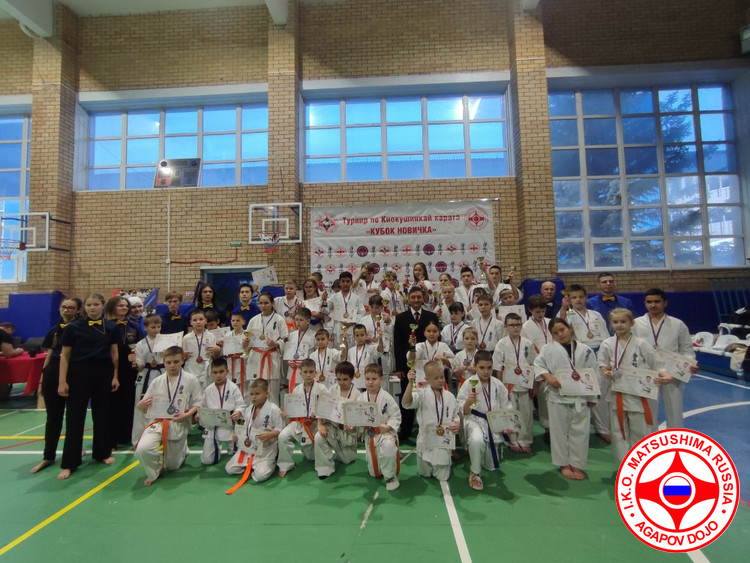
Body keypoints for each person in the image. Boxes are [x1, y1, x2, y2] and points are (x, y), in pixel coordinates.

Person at [56, 293, 119, 480]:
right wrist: (62, 381)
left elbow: (114, 355)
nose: (92, 308)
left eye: (96, 304)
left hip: (103, 375)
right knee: (75, 419)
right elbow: (65, 356)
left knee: (102, 415)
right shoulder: (73, 328)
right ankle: (70, 462)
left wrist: (115, 376)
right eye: (89, 305)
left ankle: (102, 453)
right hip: (78, 375)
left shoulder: (111, 327)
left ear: (103, 305)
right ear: (84, 307)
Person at [598, 308, 672, 463]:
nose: (619, 325)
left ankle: (641, 465)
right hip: (617, 392)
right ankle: (624, 465)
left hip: (639, 395)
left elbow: (658, 364)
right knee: (619, 432)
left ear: (631, 323)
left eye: (623, 321)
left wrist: (665, 375)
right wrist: (605, 371)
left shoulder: (641, 343)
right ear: (611, 324)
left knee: (641, 430)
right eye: (615, 322)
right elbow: (602, 363)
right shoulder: (607, 343)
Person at [534, 317, 598, 480]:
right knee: (559, 432)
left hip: (580, 396)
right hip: (558, 396)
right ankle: (563, 463)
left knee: (581, 432)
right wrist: (548, 377)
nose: (560, 334)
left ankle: (577, 463)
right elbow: (538, 365)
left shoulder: (585, 350)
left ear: (569, 328)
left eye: (562, 330)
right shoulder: (548, 349)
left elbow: (593, 372)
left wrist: (592, 396)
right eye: (555, 333)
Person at [134, 346, 202, 486]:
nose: (172, 365)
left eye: (176, 362)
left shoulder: (191, 379)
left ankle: (183, 449)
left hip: (178, 421)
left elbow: (198, 402)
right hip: (157, 421)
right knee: (142, 449)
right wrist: (140, 406)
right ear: (163, 362)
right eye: (168, 362)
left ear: (183, 360)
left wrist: (187, 415)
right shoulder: (157, 381)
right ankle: (155, 470)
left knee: (172, 466)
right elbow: (144, 405)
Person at [30, 297, 82, 474]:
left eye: (71, 307)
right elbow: (49, 354)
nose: (66, 310)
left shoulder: (81, 329)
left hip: (74, 374)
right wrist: (42, 379)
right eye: (64, 307)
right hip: (52, 375)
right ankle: (48, 455)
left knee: (74, 419)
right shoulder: (54, 330)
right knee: (53, 418)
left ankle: (72, 456)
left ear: (78, 310)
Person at [632, 288, 697, 429]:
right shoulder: (635, 324)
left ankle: (675, 439)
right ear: (644, 303)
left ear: (665, 303)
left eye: (657, 301)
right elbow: (631, 349)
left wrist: (689, 365)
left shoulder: (678, 324)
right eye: (649, 302)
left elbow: (686, 349)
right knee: (648, 412)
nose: (653, 305)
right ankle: (650, 439)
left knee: (675, 411)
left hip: (672, 374)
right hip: (647, 372)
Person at [557, 283, 610, 441]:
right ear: (569, 299)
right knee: (583, 390)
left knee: (600, 390)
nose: (578, 300)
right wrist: (564, 307)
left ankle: (603, 427)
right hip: (580, 354)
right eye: (574, 297)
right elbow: (559, 326)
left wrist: (609, 355)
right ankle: (581, 427)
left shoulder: (596, 315)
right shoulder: (568, 314)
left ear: (586, 297)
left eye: (581, 296)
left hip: (599, 353)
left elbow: (606, 335)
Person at [456, 350, 513, 491]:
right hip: (474, 419)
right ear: (475, 367)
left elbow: (507, 406)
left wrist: (507, 424)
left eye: (489, 368)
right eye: (482, 367)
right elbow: (462, 410)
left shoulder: (498, 384)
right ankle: (474, 473)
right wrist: (467, 403)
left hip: (493, 421)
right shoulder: (469, 383)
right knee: (477, 440)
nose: (486, 371)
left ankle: (477, 456)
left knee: (490, 466)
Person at [393, 285, 439, 442]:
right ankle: (406, 430)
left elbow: (436, 340)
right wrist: (399, 368)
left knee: (430, 397)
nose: (416, 300)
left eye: (419, 297)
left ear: (423, 298)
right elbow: (397, 344)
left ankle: (432, 428)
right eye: (413, 297)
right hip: (409, 366)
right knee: (408, 397)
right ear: (408, 299)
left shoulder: (431, 316)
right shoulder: (401, 318)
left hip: (429, 366)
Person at [403, 360, 460, 482]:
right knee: (425, 474)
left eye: (442, 377)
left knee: (442, 477)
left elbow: (455, 415)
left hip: (443, 441)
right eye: (436, 378)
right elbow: (406, 403)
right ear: (427, 379)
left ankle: (446, 460)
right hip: (425, 441)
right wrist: (410, 383)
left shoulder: (450, 396)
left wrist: (457, 423)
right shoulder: (422, 394)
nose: (440, 380)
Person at [225, 379, 283, 484]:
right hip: (249, 447)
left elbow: (281, 429)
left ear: (266, 394)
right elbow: (245, 428)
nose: (253, 397)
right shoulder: (248, 410)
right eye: (251, 394)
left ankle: (271, 461)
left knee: (260, 476)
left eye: (257, 394)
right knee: (230, 469)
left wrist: (271, 434)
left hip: (266, 448)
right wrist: (237, 436)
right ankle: (252, 464)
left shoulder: (274, 409)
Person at [493, 313, 536, 453]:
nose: (515, 328)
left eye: (518, 325)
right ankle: (512, 440)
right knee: (511, 412)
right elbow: (498, 367)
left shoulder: (528, 343)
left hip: (525, 383)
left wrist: (534, 385)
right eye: (512, 325)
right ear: (506, 326)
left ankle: (525, 439)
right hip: (508, 384)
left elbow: (533, 365)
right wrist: (501, 387)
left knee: (526, 413)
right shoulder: (501, 343)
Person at [277, 358, 326, 476]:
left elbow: (327, 407)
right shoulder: (296, 390)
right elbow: (293, 410)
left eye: (311, 372)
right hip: (300, 423)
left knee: (311, 457)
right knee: (283, 435)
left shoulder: (322, 388)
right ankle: (285, 464)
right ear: (301, 373)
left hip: (316, 424)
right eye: (305, 372)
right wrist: (287, 413)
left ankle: (323, 465)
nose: (308, 375)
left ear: (315, 373)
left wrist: (318, 414)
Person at [357, 363, 402, 491]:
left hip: (385, 433)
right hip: (371, 434)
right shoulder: (361, 398)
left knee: (388, 446)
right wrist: (354, 427)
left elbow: (396, 416)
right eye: (367, 379)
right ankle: (380, 469)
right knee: (374, 473)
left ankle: (390, 477)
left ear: (381, 379)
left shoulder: (386, 397)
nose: (370, 382)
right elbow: (358, 417)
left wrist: (388, 426)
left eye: (374, 379)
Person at [106, 295, 142, 448]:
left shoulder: (133, 326)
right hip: (111, 368)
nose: (124, 308)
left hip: (129, 370)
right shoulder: (106, 325)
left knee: (128, 402)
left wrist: (136, 358)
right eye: (120, 305)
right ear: (112, 307)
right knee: (112, 403)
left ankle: (126, 435)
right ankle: (111, 438)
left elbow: (140, 345)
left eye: (126, 306)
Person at [314, 361, 361, 479]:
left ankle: (343, 453)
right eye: (339, 379)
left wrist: (353, 426)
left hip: (347, 433)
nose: (341, 383)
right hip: (332, 427)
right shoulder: (333, 389)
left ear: (352, 378)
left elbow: (360, 418)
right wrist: (320, 424)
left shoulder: (357, 394)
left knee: (346, 460)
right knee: (319, 436)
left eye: (345, 379)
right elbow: (322, 406)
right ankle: (325, 468)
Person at [199, 358, 245, 465]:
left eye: (221, 372)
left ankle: (232, 447)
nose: (218, 375)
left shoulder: (233, 388)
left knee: (236, 456)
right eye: (215, 372)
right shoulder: (208, 390)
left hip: (230, 425)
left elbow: (241, 405)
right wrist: (200, 415)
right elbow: (203, 407)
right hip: (213, 427)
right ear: (211, 373)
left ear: (227, 372)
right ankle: (216, 448)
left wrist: (238, 412)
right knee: (207, 460)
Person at [245, 291, 289, 405]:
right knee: (254, 388)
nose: (263, 306)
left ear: (272, 303)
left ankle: (272, 413)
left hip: (271, 356)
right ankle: (254, 413)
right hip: (256, 358)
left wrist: (276, 343)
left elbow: (286, 339)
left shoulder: (279, 319)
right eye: (261, 303)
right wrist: (245, 343)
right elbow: (246, 339)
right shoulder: (253, 320)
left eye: (266, 303)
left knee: (272, 390)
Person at [521, 294, 552, 442]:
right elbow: (527, 349)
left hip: (553, 363)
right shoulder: (525, 327)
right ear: (530, 310)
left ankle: (558, 426)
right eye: (537, 312)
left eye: (543, 311)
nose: (540, 314)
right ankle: (548, 428)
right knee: (543, 398)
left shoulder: (551, 322)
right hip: (537, 365)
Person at [132, 314, 165, 444]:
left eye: (159, 327)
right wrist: (135, 363)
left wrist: (166, 353)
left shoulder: (166, 342)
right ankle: (139, 439)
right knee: (141, 407)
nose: (156, 330)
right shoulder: (140, 344)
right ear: (145, 327)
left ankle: (161, 437)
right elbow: (140, 366)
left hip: (162, 375)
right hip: (145, 377)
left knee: (162, 406)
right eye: (153, 327)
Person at [182, 309, 220, 389]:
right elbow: (182, 358)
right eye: (195, 320)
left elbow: (214, 356)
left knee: (207, 392)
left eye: (201, 319)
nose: (198, 322)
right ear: (191, 322)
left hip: (207, 368)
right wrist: (183, 355)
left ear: (205, 321)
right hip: (191, 368)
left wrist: (217, 351)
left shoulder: (211, 336)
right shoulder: (186, 338)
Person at [358, 294, 394, 377]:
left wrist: (389, 322)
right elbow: (358, 335)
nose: (374, 310)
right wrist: (363, 339)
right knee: (369, 375)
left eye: (377, 307)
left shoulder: (386, 319)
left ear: (382, 307)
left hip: (383, 352)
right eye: (372, 307)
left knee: (383, 376)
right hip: (369, 351)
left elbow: (392, 334)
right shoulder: (363, 320)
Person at [329, 271, 365, 348]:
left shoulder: (356, 298)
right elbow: (326, 310)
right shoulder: (333, 297)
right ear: (339, 283)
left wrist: (353, 321)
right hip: (338, 329)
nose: (345, 283)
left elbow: (362, 312)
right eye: (343, 281)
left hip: (352, 329)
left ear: (351, 282)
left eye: (348, 281)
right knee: (338, 353)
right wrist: (324, 301)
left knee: (351, 352)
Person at [414, 320, 454, 387]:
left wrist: (444, 359)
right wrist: (412, 347)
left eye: (435, 331)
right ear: (424, 333)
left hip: (439, 380)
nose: (432, 334)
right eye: (428, 331)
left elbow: (453, 364)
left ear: (439, 333)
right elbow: (411, 359)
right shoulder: (420, 346)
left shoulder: (443, 346)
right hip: (422, 380)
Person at [285, 308, 316, 392]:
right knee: (293, 393)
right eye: (296, 320)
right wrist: (289, 361)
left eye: (301, 320)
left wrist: (307, 363)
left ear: (308, 321)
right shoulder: (292, 335)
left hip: (306, 369)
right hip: (292, 368)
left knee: (305, 393)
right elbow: (289, 351)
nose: (298, 322)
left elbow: (315, 354)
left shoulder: (313, 335)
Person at [346, 323, 382, 390]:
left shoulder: (370, 348)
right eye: (357, 335)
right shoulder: (350, 351)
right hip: (354, 383)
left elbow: (380, 350)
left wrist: (380, 338)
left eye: (362, 335)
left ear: (366, 335)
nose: (360, 338)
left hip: (368, 382)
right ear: (354, 336)